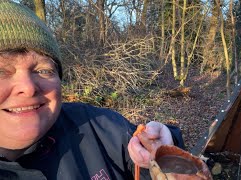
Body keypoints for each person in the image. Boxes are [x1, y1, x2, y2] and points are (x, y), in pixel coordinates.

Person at [0, 1, 184, 179]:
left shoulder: (98, 126)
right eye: (1, 71)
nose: (28, 87)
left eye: (43, 70)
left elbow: (150, 161)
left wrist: (165, 152)